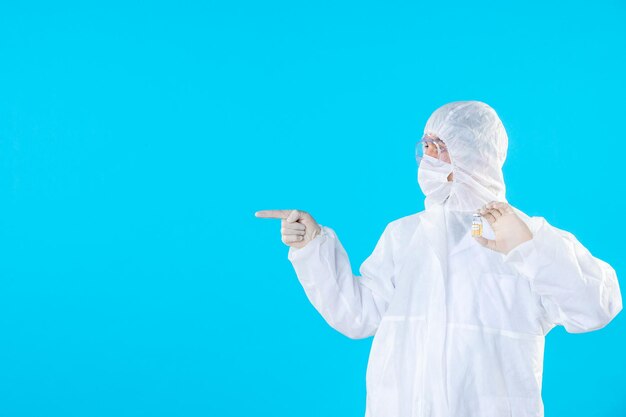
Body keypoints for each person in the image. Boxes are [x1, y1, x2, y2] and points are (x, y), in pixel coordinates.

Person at [255, 101, 622, 417]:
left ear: (475, 152)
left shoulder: (523, 235)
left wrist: (531, 247)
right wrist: (313, 247)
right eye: (425, 145)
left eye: (440, 146)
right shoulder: (403, 235)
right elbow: (358, 316)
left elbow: (597, 306)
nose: (428, 157)